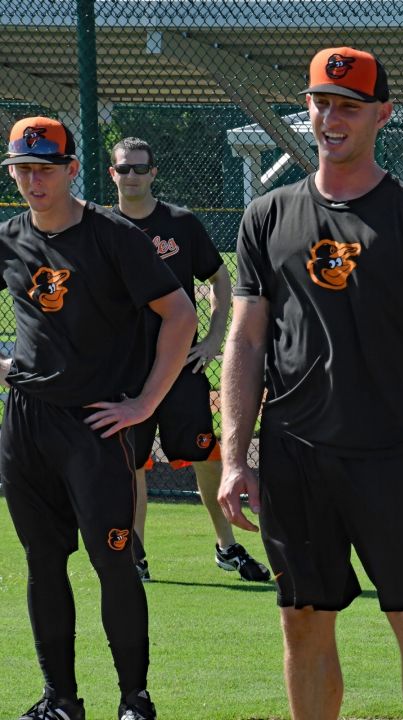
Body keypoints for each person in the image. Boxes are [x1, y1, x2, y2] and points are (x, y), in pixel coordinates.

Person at [217, 46, 403, 720]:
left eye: (349, 106)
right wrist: (233, 456)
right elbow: (246, 341)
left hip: (396, 458)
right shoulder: (268, 216)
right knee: (303, 622)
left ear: (382, 114)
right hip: (295, 457)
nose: (331, 117)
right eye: (321, 103)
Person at [0, 117, 196, 720]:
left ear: (72, 169)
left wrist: (145, 403)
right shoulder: (9, 236)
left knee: (113, 560)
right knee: (41, 562)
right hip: (26, 422)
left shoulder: (112, 236)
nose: (34, 180)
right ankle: (59, 700)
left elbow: (181, 315)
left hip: (96, 424)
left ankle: (134, 699)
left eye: (45, 168)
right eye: (22, 169)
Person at [108, 136, 270, 584]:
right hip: (125, 372)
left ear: (154, 172)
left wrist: (215, 337)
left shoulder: (180, 223)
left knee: (206, 456)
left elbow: (220, 277)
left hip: (182, 368)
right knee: (132, 464)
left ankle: (228, 547)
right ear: (112, 174)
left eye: (141, 168)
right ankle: (135, 555)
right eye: (124, 169)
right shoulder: (100, 226)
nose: (133, 176)